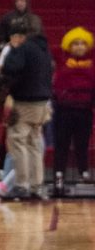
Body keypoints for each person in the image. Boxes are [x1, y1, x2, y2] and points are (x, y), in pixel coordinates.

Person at [0, 20, 53, 199]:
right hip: (42, 103)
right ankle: (36, 186)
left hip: (25, 101)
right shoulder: (44, 49)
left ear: (22, 35)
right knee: (34, 143)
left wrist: (14, 49)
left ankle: (21, 184)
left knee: (18, 140)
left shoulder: (24, 48)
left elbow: (9, 67)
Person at [52, 27, 95, 192]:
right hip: (64, 111)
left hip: (84, 111)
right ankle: (58, 175)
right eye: (75, 43)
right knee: (61, 144)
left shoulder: (92, 66)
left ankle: (83, 173)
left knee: (82, 144)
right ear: (69, 46)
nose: (79, 47)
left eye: (82, 43)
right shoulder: (63, 63)